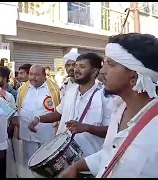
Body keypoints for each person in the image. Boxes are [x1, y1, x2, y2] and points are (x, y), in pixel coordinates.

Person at [59, 33, 158, 178]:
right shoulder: (119, 109)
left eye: (110, 64)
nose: (102, 71)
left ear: (134, 76)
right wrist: (77, 166)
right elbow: (111, 153)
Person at [29, 53, 111, 158]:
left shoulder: (105, 97)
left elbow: (111, 130)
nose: (76, 69)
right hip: (63, 155)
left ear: (94, 71)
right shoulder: (70, 92)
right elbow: (58, 113)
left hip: (89, 159)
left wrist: (86, 127)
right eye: (76, 65)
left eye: (82, 67)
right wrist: (38, 119)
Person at [10, 64, 60, 178]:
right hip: (27, 135)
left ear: (44, 75)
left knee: (46, 164)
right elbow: (17, 108)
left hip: (47, 134)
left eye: (36, 75)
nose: (33, 77)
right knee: (28, 163)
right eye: (31, 74)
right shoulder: (22, 89)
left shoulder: (55, 89)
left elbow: (59, 111)